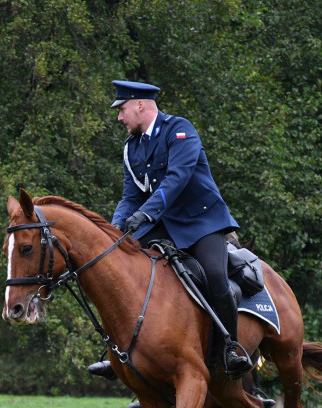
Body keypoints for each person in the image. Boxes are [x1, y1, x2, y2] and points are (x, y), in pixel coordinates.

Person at [89, 79, 253, 380]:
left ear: (140, 105)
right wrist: (114, 229)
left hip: (201, 222)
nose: (119, 117)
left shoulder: (180, 131)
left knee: (215, 276)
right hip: (162, 224)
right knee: (119, 269)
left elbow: (176, 179)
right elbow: (130, 196)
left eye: (122, 109)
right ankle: (124, 357)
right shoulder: (132, 148)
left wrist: (145, 214)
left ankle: (231, 348)